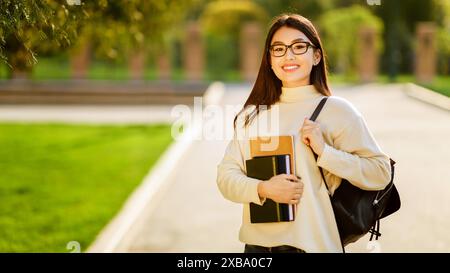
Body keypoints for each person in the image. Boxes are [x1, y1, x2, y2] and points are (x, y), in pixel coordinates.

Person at [216, 13, 392, 253]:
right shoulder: (252, 115)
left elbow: (381, 173)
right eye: (278, 49)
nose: (288, 55)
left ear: (316, 55)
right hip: (257, 248)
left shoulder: (337, 111)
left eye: (299, 47)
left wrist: (325, 152)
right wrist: (264, 189)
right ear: (269, 59)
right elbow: (226, 178)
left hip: (312, 246)